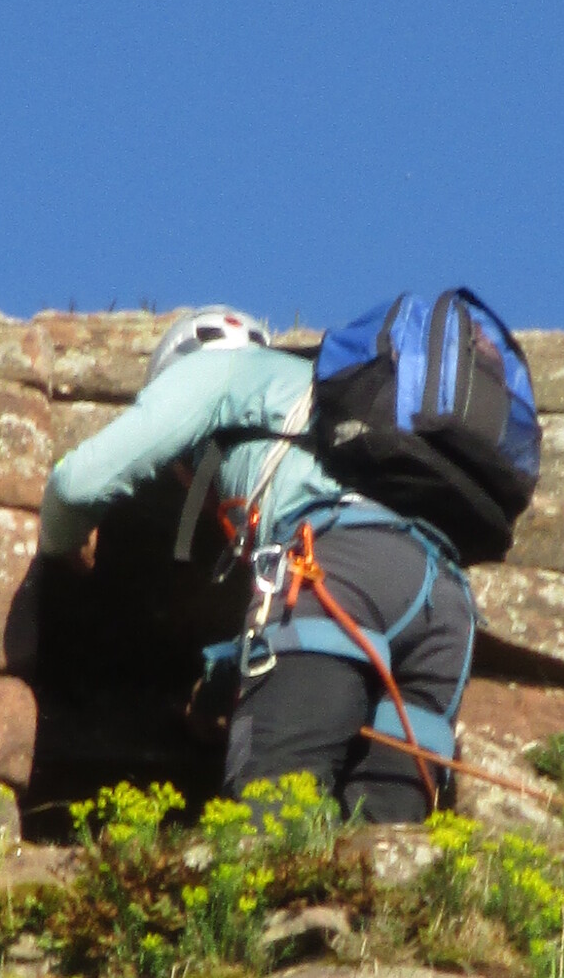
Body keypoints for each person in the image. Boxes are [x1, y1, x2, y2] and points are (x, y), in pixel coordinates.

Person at [37, 308, 476, 822]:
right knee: (387, 847)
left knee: (275, 817)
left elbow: (77, 484)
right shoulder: (330, 393)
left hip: (336, 572)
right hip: (445, 609)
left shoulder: (218, 369)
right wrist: (221, 682)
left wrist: (64, 541)